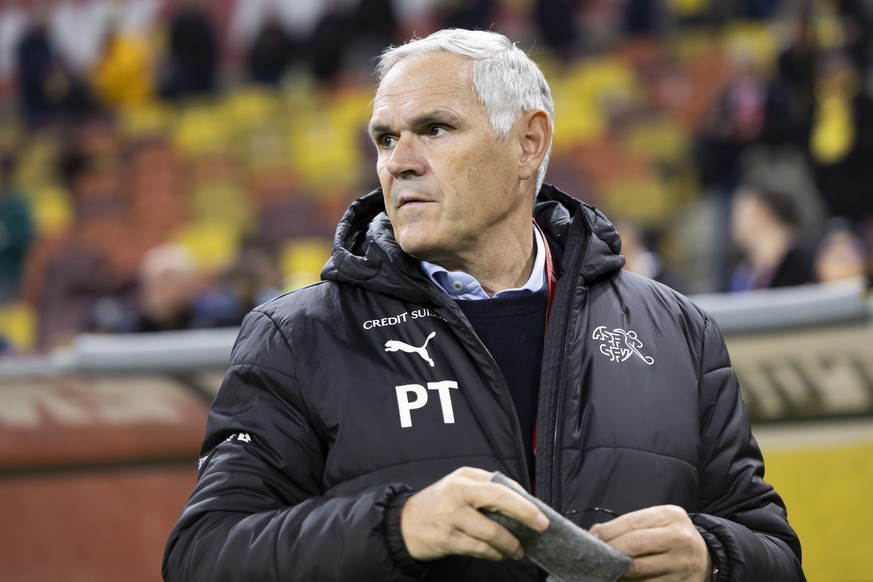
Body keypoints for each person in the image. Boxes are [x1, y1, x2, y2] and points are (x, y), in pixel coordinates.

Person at [163, 29, 805, 581]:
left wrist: (712, 556)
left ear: (529, 142)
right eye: (385, 140)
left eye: (434, 130)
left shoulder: (679, 332)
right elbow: (204, 555)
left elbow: (777, 554)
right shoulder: (295, 337)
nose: (398, 164)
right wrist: (398, 525)